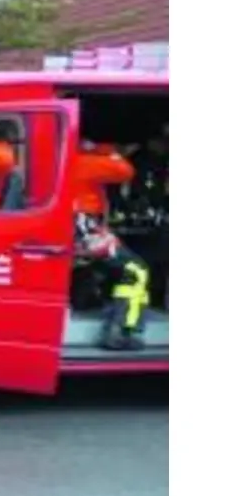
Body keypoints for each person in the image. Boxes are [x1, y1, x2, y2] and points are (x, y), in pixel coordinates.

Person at [72, 139, 151, 351]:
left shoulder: (65, 159)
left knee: (99, 268)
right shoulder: (85, 160)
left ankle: (90, 303)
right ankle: (120, 331)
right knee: (136, 269)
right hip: (82, 227)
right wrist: (110, 152)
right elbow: (125, 171)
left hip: (77, 227)